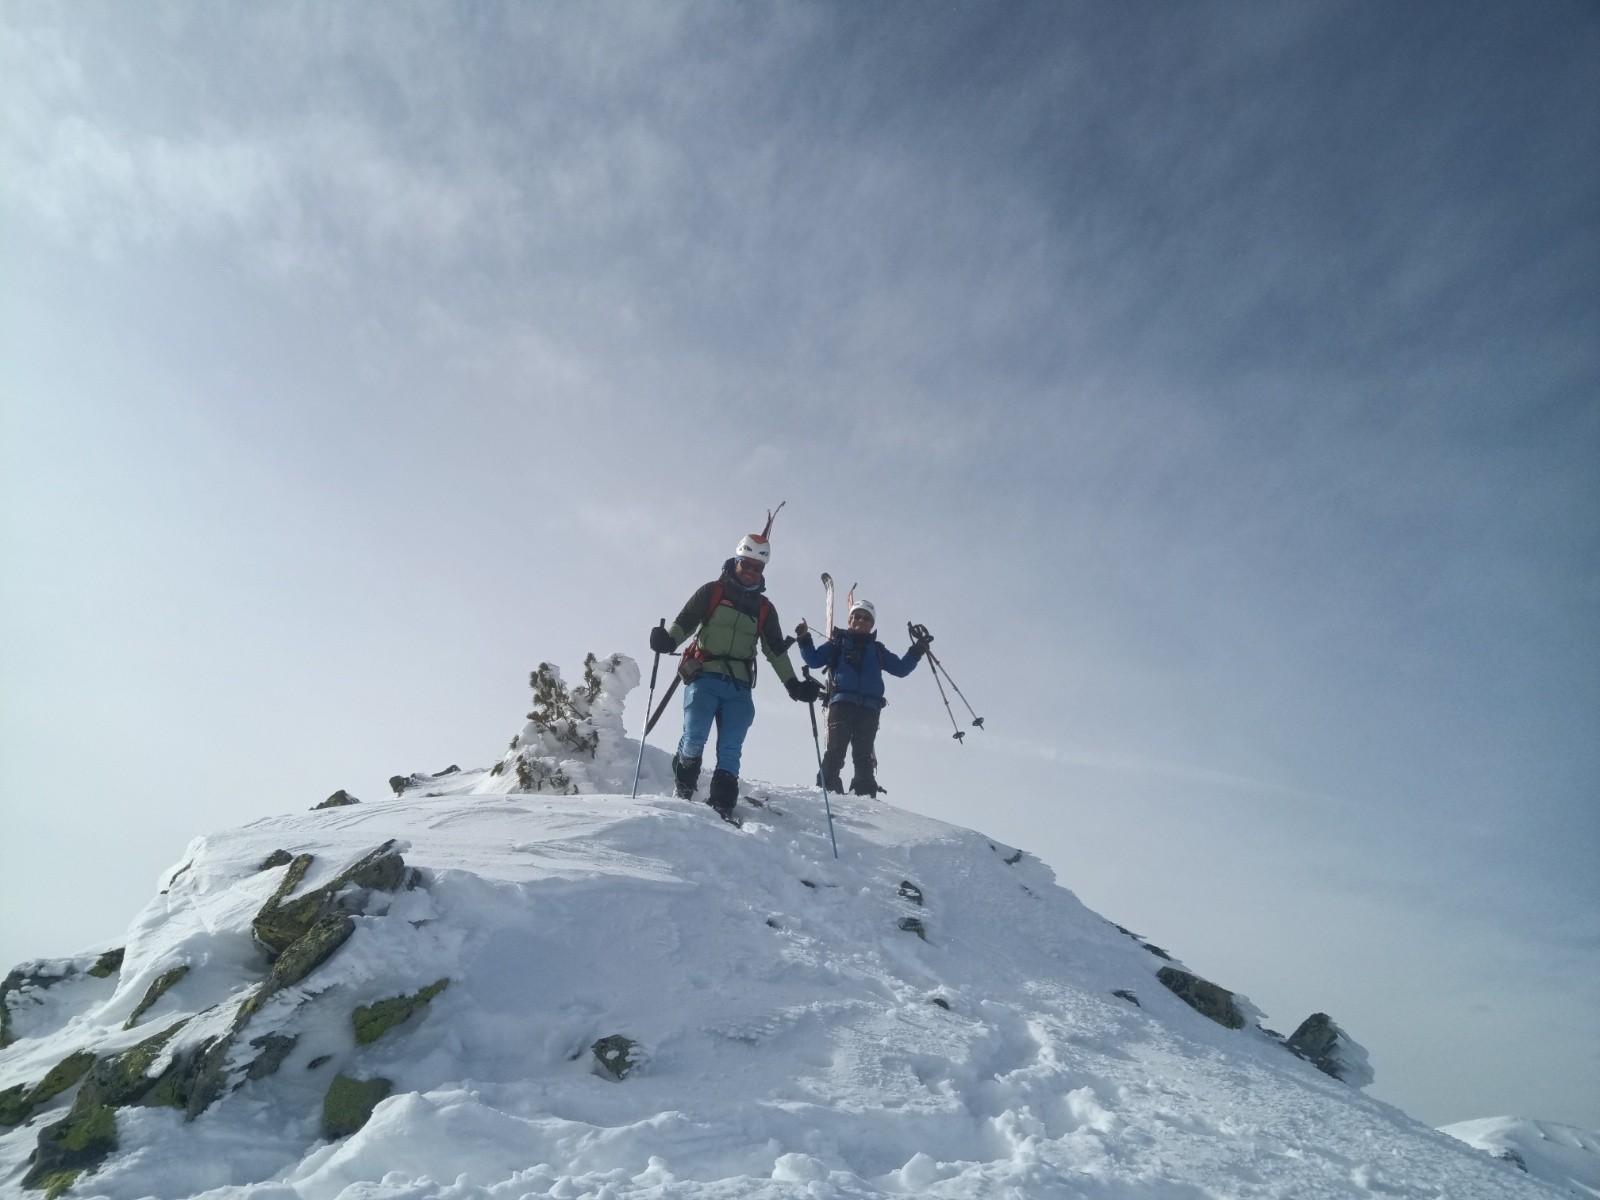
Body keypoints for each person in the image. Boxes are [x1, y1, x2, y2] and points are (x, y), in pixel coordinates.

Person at [648, 518, 820, 821]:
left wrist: (793, 684)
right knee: (694, 738)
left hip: (739, 687)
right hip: (704, 676)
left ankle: (722, 807)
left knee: (730, 751)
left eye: (758, 568)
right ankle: (684, 789)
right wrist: (667, 640)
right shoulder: (712, 591)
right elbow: (685, 622)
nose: (752, 571)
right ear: (737, 560)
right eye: (747, 564)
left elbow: (775, 651)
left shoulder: (765, 608)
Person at [795, 597, 929, 797]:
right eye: (857, 616)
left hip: (869, 708)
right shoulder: (837, 643)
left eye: (866, 618)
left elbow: (901, 669)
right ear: (849, 620)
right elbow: (814, 660)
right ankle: (827, 789)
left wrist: (917, 651)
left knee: (863, 754)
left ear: (872, 624)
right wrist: (804, 638)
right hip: (843, 704)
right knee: (836, 750)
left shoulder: (877, 649)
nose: (861, 620)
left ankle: (864, 793)